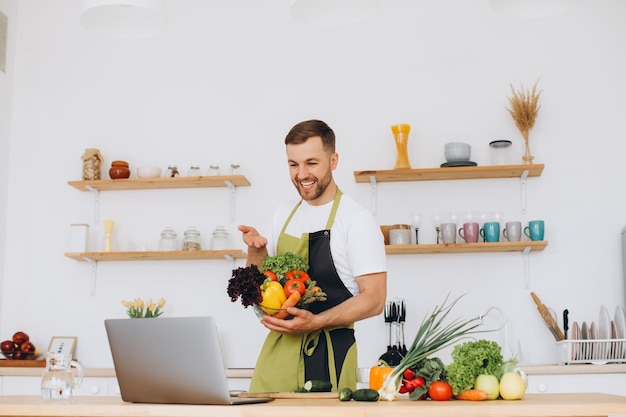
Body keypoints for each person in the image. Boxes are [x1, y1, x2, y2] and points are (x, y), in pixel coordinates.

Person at [238, 119, 388, 393]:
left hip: (328, 357)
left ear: (333, 160)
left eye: (311, 163)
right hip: (277, 355)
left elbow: (375, 299)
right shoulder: (283, 214)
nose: (301, 174)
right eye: (293, 164)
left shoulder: (356, 220)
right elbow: (258, 291)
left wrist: (317, 321)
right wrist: (256, 252)